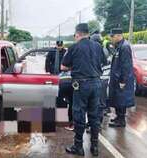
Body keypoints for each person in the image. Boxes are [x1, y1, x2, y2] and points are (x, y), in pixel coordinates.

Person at [61, 23, 105, 156]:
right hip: (97, 83)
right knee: (94, 115)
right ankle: (95, 146)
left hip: (81, 85)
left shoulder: (74, 47)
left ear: (78, 34)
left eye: (75, 35)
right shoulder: (98, 46)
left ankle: (78, 146)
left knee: (79, 115)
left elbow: (63, 67)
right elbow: (103, 61)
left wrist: (74, 67)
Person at [108, 28, 135, 128]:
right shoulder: (119, 46)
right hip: (116, 78)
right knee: (117, 99)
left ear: (119, 35)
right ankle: (118, 117)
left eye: (112, 36)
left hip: (121, 79)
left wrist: (123, 80)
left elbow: (126, 66)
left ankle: (121, 120)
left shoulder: (125, 47)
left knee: (121, 99)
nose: (111, 38)